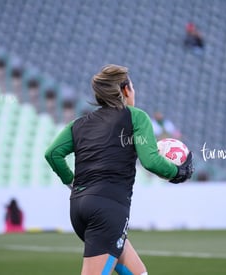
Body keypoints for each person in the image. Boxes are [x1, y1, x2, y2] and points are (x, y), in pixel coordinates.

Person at [45, 64, 194, 275]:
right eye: (132, 86)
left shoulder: (79, 123)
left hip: (79, 208)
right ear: (125, 90)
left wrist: (72, 182)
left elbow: (52, 154)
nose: (134, 91)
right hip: (107, 210)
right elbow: (150, 161)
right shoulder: (135, 116)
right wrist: (178, 173)